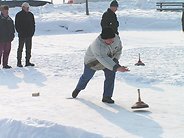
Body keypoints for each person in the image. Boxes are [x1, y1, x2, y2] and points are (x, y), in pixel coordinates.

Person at [72, 27, 129, 104]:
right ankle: (78, 88)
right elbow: (104, 59)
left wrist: (115, 60)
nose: (111, 42)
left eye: (112, 40)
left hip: (109, 61)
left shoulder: (116, 39)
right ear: (103, 39)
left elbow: (119, 49)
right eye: (108, 40)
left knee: (110, 76)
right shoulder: (97, 45)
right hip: (92, 63)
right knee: (86, 77)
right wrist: (117, 67)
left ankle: (107, 96)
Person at [15, 2, 35, 67]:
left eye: (28, 7)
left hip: (29, 35)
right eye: (27, 7)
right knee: (20, 49)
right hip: (22, 35)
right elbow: (17, 25)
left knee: (28, 49)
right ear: (23, 7)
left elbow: (33, 24)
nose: (28, 9)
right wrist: (20, 32)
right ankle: (19, 62)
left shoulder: (30, 14)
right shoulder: (18, 15)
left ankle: (27, 62)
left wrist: (32, 32)